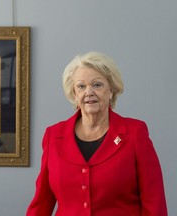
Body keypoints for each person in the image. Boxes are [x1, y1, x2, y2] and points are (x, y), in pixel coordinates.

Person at [26, 52, 167, 215]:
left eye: (97, 85)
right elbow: (42, 202)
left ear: (111, 90)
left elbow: (154, 201)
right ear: (74, 93)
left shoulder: (135, 133)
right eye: (81, 86)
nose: (89, 92)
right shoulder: (54, 135)